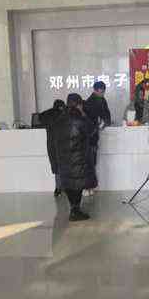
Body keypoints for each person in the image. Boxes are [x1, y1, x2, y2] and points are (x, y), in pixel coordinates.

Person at [53, 93, 97, 221]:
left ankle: (73, 208)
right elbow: (92, 130)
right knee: (77, 183)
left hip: (63, 158)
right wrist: (84, 115)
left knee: (69, 183)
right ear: (79, 105)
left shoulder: (59, 119)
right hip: (79, 158)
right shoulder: (80, 119)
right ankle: (75, 211)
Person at [83, 81, 111, 195]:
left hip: (93, 137)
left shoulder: (101, 100)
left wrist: (105, 123)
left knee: (91, 162)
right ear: (95, 90)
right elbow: (91, 120)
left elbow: (106, 115)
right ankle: (87, 187)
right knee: (89, 163)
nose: (102, 94)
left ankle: (90, 186)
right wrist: (101, 124)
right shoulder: (90, 102)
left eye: (103, 92)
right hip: (89, 137)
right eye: (100, 92)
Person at [39, 99, 66, 197]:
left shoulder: (47, 115)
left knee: (56, 167)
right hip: (62, 144)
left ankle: (58, 188)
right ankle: (63, 187)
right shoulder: (63, 114)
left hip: (51, 144)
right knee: (64, 166)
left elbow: (40, 117)